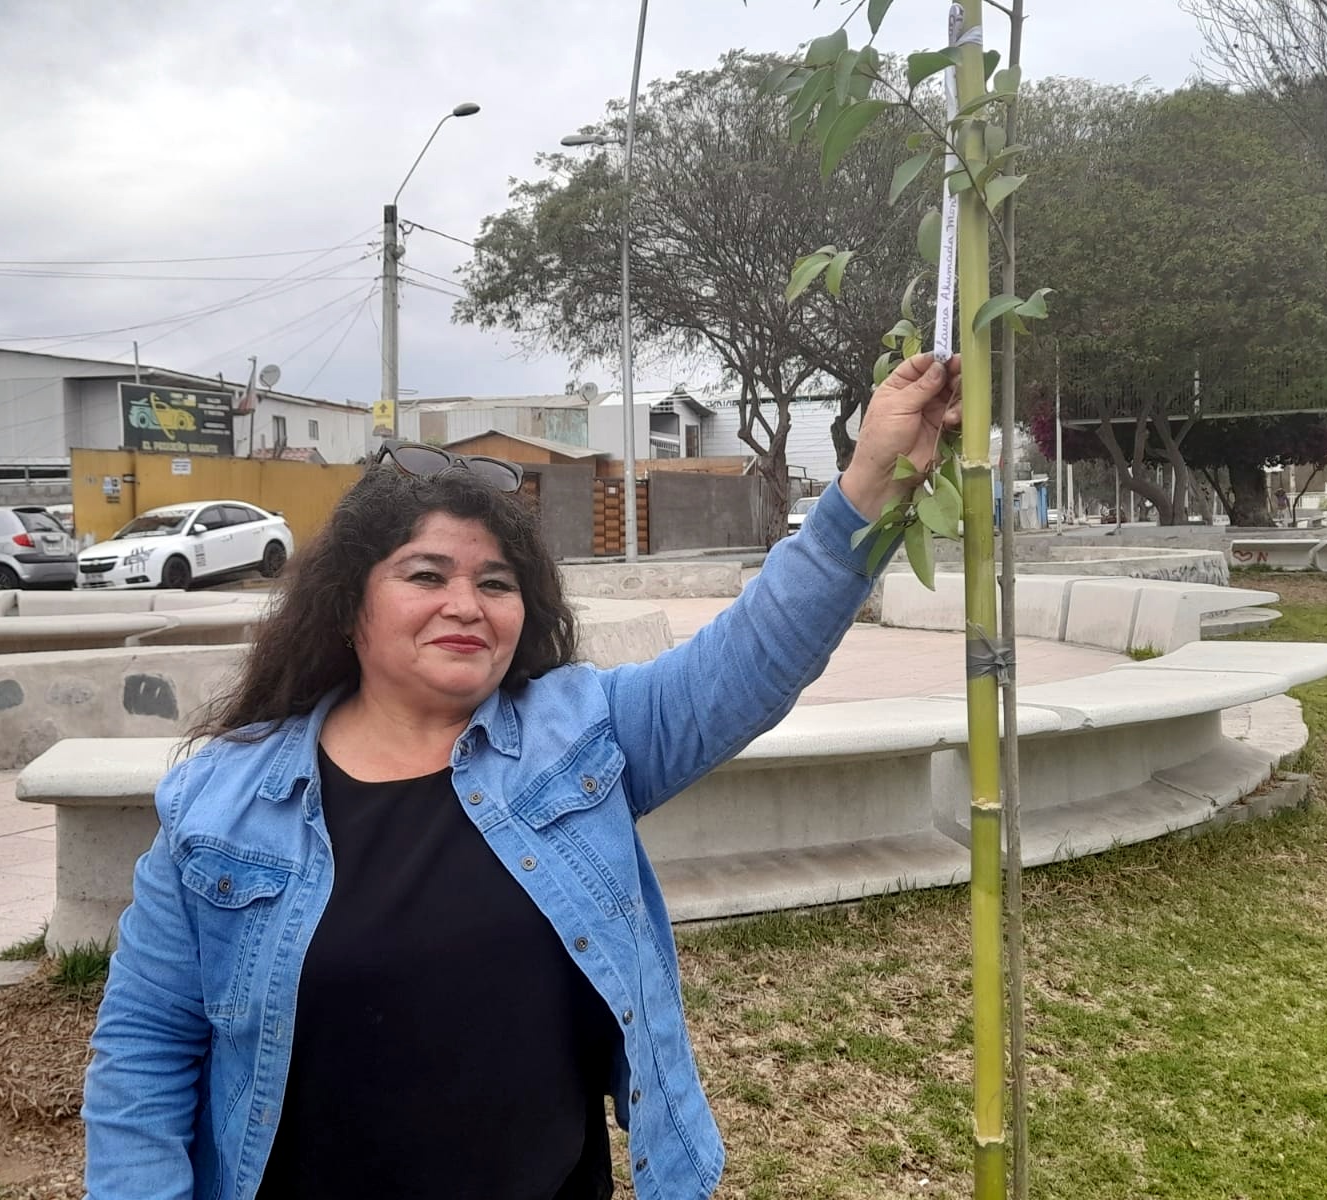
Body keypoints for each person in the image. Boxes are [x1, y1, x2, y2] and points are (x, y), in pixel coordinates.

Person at [82, 353, 963, 1200]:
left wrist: (867, 483)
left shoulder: (582, 736)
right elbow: (142, 1059)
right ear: (349, 605)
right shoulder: (220, 803)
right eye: (426, 575)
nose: (466, 605)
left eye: (496, 583)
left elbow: (751, 659)